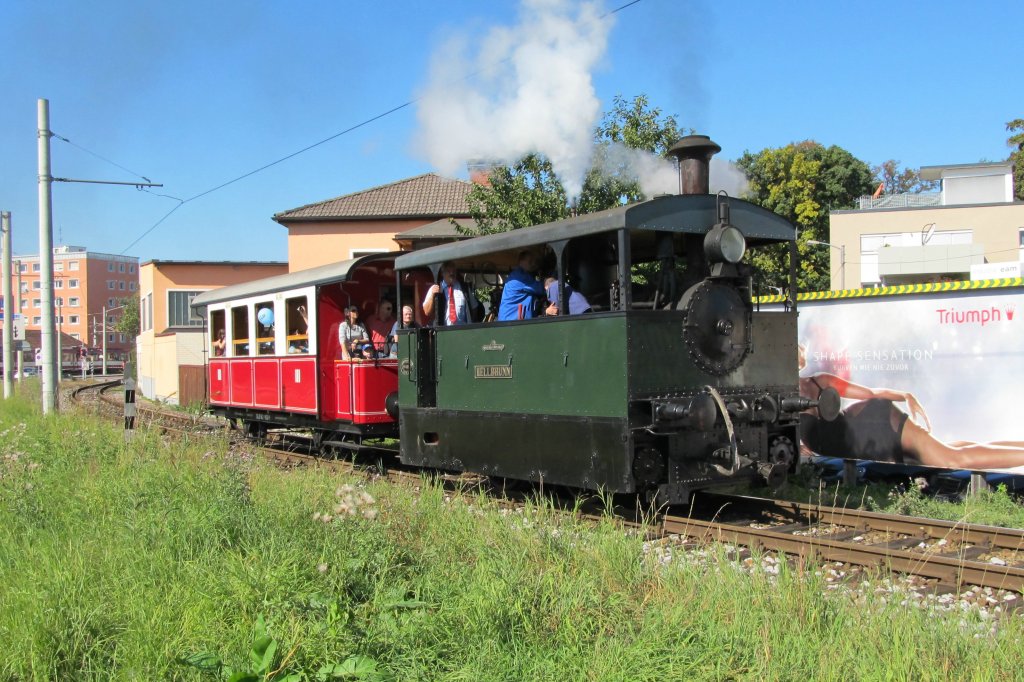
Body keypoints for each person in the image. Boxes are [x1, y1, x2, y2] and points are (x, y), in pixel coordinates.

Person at [798, 344, 1024, 470]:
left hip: (873, 425)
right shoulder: (810, 384)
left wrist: (905, 395)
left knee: (952, 459)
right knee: (944, 451)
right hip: (864, 434)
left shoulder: (817, 382)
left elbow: (871, 393)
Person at [498, 251, 546, 321]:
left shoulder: (522, 275)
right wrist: (549, 280)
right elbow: (542, 289)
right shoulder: (520, 277)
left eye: (534, 261)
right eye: (530, 261)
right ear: (521, 261)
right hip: (511, 321)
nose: (533, 264)